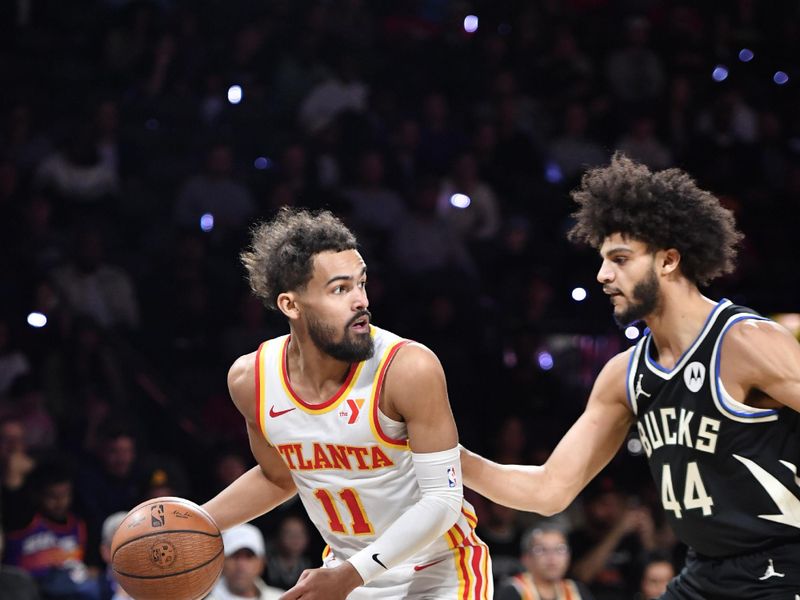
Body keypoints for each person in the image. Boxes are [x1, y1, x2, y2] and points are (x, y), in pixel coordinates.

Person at [462, 153, 800, 598]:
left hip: (780, 570)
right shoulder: (623, 375)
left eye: (620, 259)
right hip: (702, 573)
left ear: (668, 260)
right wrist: (443, 456)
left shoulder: (746, 343)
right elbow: (550, 490)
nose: (603, 275)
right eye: (603, 260)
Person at [202, 208, 492, 599]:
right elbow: (277, 478)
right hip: (347, 572)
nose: (361, 301)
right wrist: (197, 522)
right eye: (340, 289)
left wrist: (350, 576)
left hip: (439, 572)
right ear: (291, 305)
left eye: (362, 283)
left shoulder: (407, 368)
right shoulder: (250, 380)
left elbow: (443, 499)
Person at [496, 524, 593, 600]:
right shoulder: (513, 590)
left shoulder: (575, 590)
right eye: (541, 550)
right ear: (526, 559)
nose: (552, 557)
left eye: (560, 549)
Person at [208, 523, 284, 600]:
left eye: (249, 556)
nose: (241, 565)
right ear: (221, 562)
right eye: (235, 556)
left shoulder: (282, 597)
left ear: (262, 563)